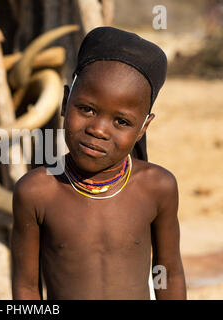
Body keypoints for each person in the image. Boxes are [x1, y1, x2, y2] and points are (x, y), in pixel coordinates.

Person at [11, 27, 186, 300]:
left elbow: (169, 274)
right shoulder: (37, 192)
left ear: (143, 127)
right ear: (65, 101)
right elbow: (26, 287)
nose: (99, 130)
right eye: (87, 109)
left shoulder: (157, 188)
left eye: (122, 122)